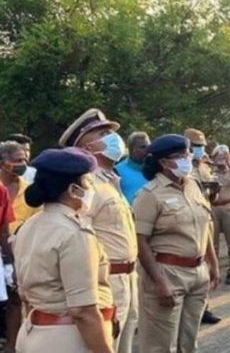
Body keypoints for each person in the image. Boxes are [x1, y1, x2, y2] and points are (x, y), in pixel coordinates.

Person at [14, 148, 115, 353]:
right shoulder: (74, 233)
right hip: (68, 337)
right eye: (88, 183)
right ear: (73, 190)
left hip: (35, 332)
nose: (91, 189)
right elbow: (83, 312)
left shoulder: (30, 225)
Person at [59, 109, 138, 353]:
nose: (114, 138)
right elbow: (77, 233)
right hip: (105, 280)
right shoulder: (86, 184)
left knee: (123, 345)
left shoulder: (109, 179)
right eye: (104, 134)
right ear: (86, 146)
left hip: (128, 278)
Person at [133, 134, 219, 353]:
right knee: (160, 345)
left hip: (198, 273)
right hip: (168, 273)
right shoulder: (149, 195)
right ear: (163, 162)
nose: (187, 159)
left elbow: (204, 226)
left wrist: (213, 264)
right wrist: (160, 282)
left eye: (187, 154)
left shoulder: (193, 185)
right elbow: (140, 241)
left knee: (188, 342)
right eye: (180, 156)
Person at [0, 140, 40, 351]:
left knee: (16, 300)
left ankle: (12, 346)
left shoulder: (30, 192)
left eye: (24, 159)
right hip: (4, 253)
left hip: (21, 254)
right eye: (16, 160)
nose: (22, 164)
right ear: (3, 163)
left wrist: (12, 262)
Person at [183, 128, 221, 325]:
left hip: (206, 218)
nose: (200, 149)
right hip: (188, 222)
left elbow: (210, 195)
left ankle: (204, 307)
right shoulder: (183, 168)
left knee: (207, 262)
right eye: (196, 146)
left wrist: (214, 190)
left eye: (202, 146)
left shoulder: (205, 165)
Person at [209, 145, 230, 285]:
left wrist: (228, 163)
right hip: (214, 208)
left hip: (229, 207)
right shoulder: (210, 172)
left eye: (224, 156)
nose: (221, 159)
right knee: (213, 242)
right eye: (219, 156)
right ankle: (214, 271)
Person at [115, 132, 150, 205]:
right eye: (143, 147)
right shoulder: (117, 171)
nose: (148, 150)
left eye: (149, 146)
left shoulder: (156, 169)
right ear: (133, 149)